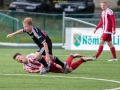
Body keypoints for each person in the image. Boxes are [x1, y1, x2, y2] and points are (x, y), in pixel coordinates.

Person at [13, 53, 93, 74]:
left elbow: (41, 58)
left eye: (19, 57)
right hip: (48, 69)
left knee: (67, 69)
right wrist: (38, 70)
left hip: (49, 62)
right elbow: (32, 71)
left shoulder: (30, 56)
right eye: (17, 59)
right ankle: (73, 56)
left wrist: (42, 66)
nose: (19, 59)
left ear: (22, 55)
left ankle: (77, 58)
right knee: (68, 69)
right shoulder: (25, 67)